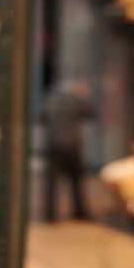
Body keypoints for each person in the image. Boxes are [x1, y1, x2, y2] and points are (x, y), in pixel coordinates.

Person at [43, 77, 93, 221]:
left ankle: (50, 214)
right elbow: (89, 113)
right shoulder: (74, 102)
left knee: (52, 184)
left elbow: (43, 117)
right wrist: (84, 97)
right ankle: (79, 211)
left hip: (54, 144)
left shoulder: (51, 101)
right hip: (71, 145)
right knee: (76, 181)